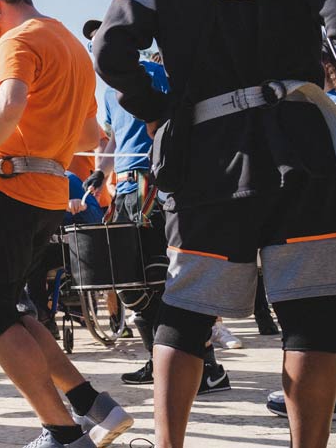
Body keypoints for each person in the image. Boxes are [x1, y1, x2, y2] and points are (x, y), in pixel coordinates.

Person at [93, 0, 336, 448]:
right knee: (312, 310)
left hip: (206, 158)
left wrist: (158, 112)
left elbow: (109, 52)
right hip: (301, 150)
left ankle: (170, 445)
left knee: (186, 310)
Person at [0, 0, 132, 448]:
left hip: (11, 190)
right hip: (51, 197)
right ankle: (92, 405)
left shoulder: (17, 39)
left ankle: (61, 432)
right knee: (12, 308)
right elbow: (92, 135)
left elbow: (8, 103)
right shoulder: (72, 46)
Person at [81, 22, 232, 395]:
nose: (93, 46)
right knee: (129, 281)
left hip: (158, 186)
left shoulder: (157, 74)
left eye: (100, 39)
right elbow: (113, 139)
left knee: (165, 277)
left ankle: (207, 368)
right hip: (125, 189)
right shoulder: (106, 92)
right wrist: (100, 173)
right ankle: (158, 359)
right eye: (91, 42)